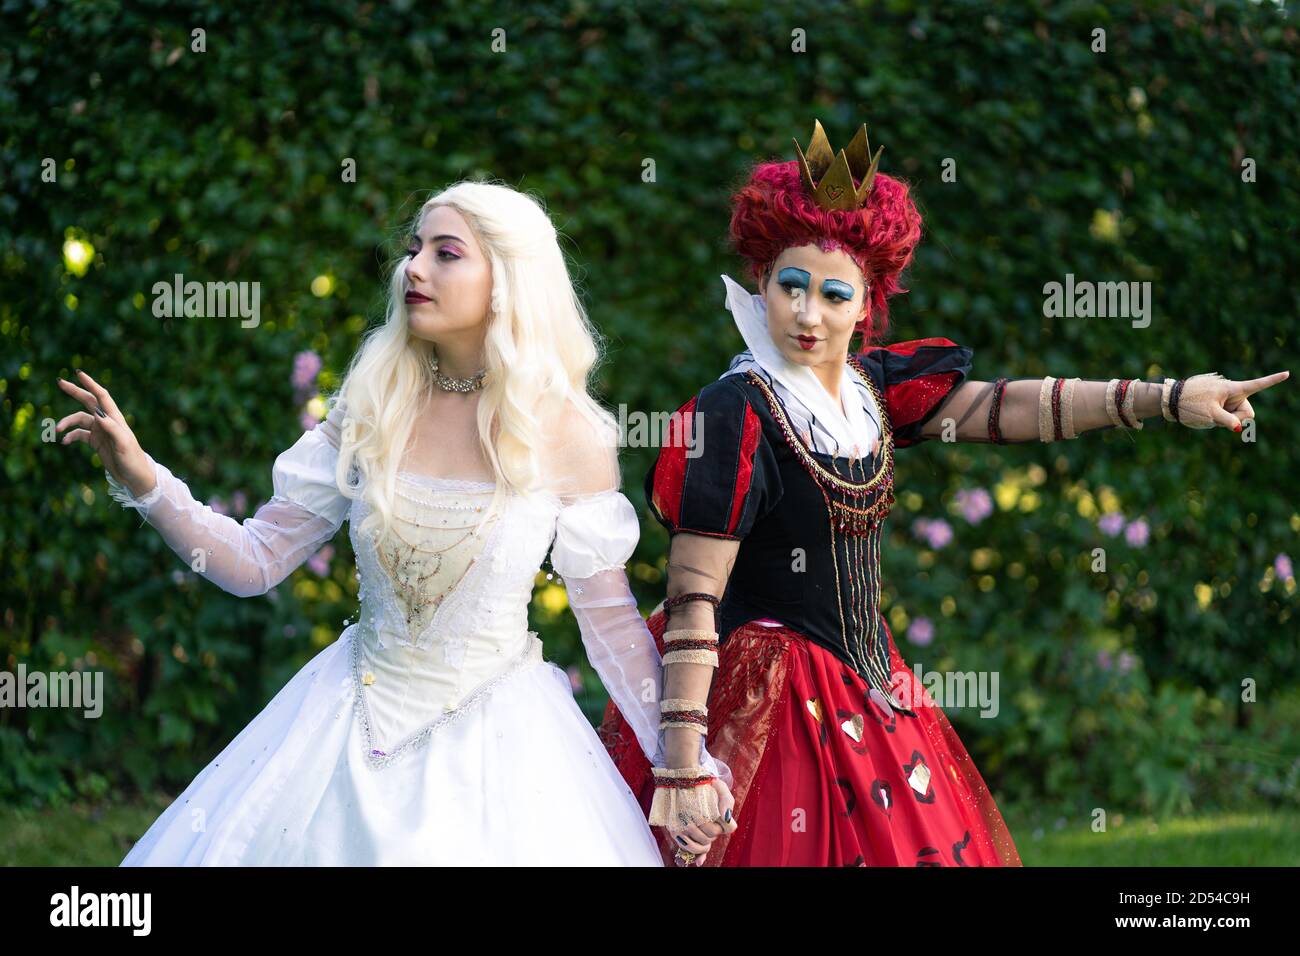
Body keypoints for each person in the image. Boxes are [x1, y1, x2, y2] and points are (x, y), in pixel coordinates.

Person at [598, 120, 1290, 867]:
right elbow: (695, 592)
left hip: (871, 691)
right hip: (764, 706)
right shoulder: (734, 413)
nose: (807, 314)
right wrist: (683, 763)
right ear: (761, 278)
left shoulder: (871, 389)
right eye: (790, 285)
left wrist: (1167, 396)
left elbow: (1008, 408)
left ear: (867, 304)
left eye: (834, 294)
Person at [55, 180, 733, 865]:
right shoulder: (374, 403)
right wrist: (143, 477)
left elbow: (611, 624)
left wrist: (684, 762)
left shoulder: (565, 432)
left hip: (500, 753)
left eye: (446, 254)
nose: (414, 268)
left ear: (509, 281)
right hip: (340, 728)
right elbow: (254, 562)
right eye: (414, 249)